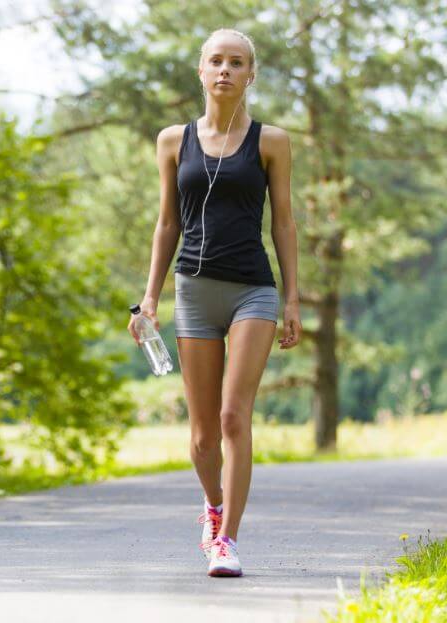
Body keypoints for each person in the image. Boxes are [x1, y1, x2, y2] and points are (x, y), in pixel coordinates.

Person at [127, 27, 302, 578]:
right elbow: (166, 223)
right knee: (203, 435)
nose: (225, 70)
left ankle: (226, 541)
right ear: (201, 71)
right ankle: (213, 504)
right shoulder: (172, 140)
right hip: (195, 291)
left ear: (251, 75)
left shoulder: (271, 141)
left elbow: (284, 223)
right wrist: (149, 297)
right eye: (216, 61)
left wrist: (292, 298)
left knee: (233, 416)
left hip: (253, 287)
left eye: (237, 62)